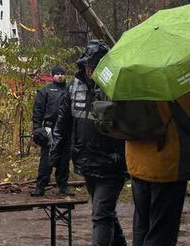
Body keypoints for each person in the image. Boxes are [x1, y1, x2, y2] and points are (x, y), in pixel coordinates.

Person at [51, 40, 128, 246]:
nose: (89, 70)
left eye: (94, 66)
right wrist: (56, 154)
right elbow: (63, 122)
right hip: (86, 160)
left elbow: (132, 124)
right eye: (87, 65)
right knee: (105, 213)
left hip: (113, 164)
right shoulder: (74, 86)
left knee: (101, 215)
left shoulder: (119, 86)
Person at [127, 87, 190, 246]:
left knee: (141, 227)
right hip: (167, 163)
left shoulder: (130, 81)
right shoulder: (180, 82)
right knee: (162, 232)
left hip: (136, 162)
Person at [31, 65, 74, 197]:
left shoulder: (70, 91)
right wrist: (37, 129)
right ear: (52, 76)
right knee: (46, 159)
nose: (60, 76)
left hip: (66, 128)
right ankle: (40, 186)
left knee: (64, 159)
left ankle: (63, 185)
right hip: (49, 128)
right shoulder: (45, 91)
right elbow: (38, 111)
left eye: (62, 73)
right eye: (57, 74)